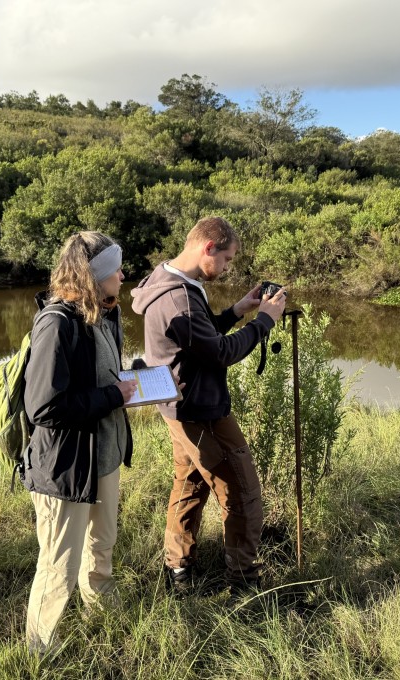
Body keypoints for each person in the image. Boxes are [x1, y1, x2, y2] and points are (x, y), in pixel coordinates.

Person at [130, 216, 287, 592]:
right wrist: (264, 321)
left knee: (189, 486)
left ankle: (179, 570)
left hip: (179, 406)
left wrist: (236, 312)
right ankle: (244, 584)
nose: (228, 267)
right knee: (243, 493)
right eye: (228, 259)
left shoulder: (170, 279)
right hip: (202, 412)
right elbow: (219, 353)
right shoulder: (179, 299)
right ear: (208, 248)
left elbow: (197, 339)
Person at [23, 231, 138, 654]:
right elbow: (44, 408)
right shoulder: (56, 324)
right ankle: (40, 649)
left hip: (102, 458)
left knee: (100, 548)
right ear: (94, 275)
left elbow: (104, 375)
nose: (123, 276)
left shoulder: (103, 313)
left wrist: (138, 381)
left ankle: (103, 616)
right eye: (116, 270)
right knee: (59, 566)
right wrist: (113, 396)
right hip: (66, 468)